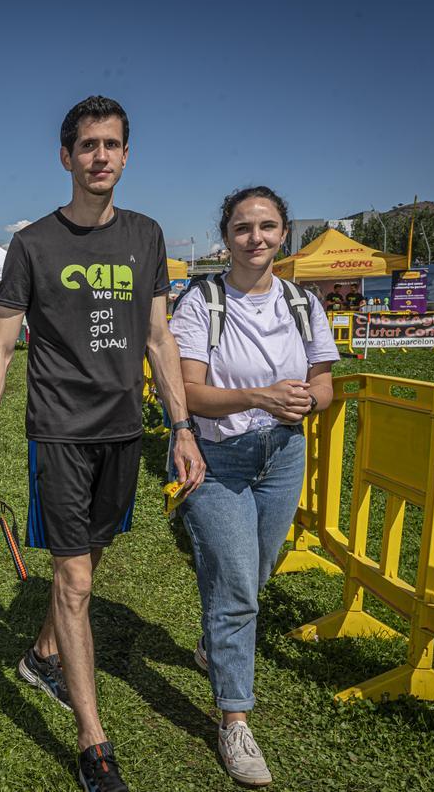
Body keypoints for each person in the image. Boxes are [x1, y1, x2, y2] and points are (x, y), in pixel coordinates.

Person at [0, 95, 204, 792]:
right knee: (77, 580)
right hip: (60, 433)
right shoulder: (33, 244)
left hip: (125, 431)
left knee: (92, 557)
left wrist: (182, 428)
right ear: (65, 157)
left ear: (126, 156)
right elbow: (1, 349)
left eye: (111, 145)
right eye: (87, 145)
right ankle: (94, 743)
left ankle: (39, 653)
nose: (99, 156)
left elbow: (160, 338)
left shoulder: (147, 236)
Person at [169, 186, 338, 787]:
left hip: (282, 454)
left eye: (267, 226)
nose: (256, 237)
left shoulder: (302, 302)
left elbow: (324, 383)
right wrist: (258, 396)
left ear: (283, 234)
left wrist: (307, 401)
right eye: (244, 227)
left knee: (255, 573)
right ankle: (235, 721)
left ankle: (215, 643)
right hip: (214, 459)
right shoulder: (201, 301)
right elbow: (187, 393)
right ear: (227, 236)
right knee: (239, 587)